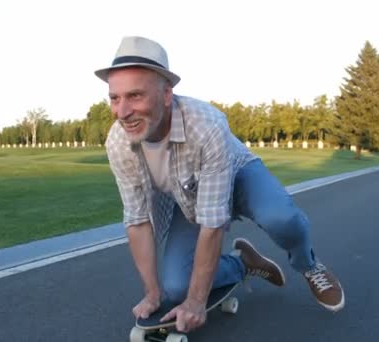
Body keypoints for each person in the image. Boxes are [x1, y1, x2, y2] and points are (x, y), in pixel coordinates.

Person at [96, 36, 345, 333]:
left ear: (165, 94)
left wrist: (198, 301)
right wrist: (153, 292)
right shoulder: (118, 143)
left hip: (239, 175)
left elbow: (212, 222)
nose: (122, 112)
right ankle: (245, 264)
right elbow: (137, 221)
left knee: (281, 217)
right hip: (191, 196)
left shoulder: (206, 125)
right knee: (177, 288)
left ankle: (309, 265)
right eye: (115, 98)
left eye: (135, 96)